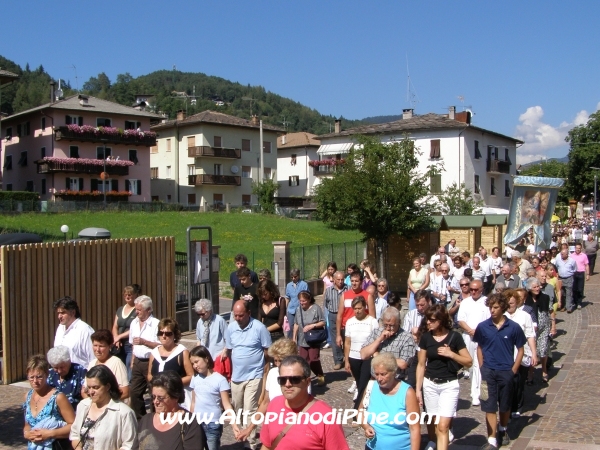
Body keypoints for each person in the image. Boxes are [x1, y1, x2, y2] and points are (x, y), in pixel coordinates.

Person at [259, 355, 350, 450]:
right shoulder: (274, 405)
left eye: (295, 379)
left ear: (308, 382)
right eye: (282, 380)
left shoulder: (326, 416)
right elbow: (267, 445)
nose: (287, 384)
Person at [473, 294, 526, 449]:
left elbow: (521, 349)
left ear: (503, 308)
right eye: (490, 307)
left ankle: (503, 428)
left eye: (495, 307)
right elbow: (479, 348)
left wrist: (514, 370)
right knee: (489, 405)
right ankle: (491, 438)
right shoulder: (483, 327)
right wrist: (483, 367)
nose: (492, 310)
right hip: (488, 372)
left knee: (504, 405)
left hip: (506, 372)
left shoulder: (514, 327)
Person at [416, 305, 472, 450]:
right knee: (435, 424)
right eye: (427, 319)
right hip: (430, 384)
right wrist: (418, 390)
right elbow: (421, 364)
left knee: (443, 426)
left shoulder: (455, 337)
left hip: (449, 385)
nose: (428, 322)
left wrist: (451, 354)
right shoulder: (426, 338)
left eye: (431, 320)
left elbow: (468, 361)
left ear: (440, 320)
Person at [235, 339, 308, 444]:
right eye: (275, 360)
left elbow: (304, 406)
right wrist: (250, 428)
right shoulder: (272, 374)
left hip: (293, 428)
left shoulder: (298, 378)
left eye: (281, 360)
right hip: (273, 426)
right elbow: (265, 403)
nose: (278, 364)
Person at [226, 300, 272, 449]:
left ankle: (250, 442)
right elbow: (230, 349)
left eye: (241, 315)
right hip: (237, 376)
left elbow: (267, 351)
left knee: (250, 408)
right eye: (235, 315)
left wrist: (266, 371)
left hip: (255, 374)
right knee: (237, 407)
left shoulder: (259, 328)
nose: (237, 318)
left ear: (249, 313)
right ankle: (243, 431)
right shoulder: (231, 328)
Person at [362, 352, 421, 450]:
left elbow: (415, 429)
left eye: (383, 374)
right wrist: (366, 426)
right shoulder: (371, 386)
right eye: (376, 374)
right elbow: (361, 411)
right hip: (371, 447)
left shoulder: (407, 392)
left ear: (393, 372)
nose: (379, 378)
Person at [70, 365, 138, 450]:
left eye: (95, 387)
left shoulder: (124, 412)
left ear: (107, 387)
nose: (91, 392)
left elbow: (129, 445)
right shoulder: (83, 405)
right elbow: (75, 435)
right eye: (89, 387)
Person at [138, 371, 206, 450]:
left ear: (176, 397)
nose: (155, 401)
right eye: (153, 397)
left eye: (160, 398)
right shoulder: (145, 420)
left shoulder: (190, 424)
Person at [189, 346, 239, 450]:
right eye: (192, 363)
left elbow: (226, 404)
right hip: (197, 422)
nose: (195, 366)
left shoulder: (219, 380)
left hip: (213, 423)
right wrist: (190, 420)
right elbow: (193, 402)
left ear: (206, 359)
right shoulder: (195, 378)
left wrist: (234, 425)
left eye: (197, 362)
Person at [23, 355, 75, 450]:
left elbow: (74, 426)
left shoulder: (58, 397)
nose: (35, 381)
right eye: (31, 377)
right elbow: (27, 425)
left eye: (39, 377)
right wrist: (27, 434)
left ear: (47, 374)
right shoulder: (28, 396)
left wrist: (50, 433)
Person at [360, 307, 415, 387]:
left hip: (396, 382)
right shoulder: (377, 332)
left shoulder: (407, 337)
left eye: (392, 326)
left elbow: (403, 363)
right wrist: (379, 339)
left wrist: (378, 356)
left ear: (399, 322)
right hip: (376, 380)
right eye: (386, 325)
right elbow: (363, 355)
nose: (388, 329)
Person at [504, 289, 537, 417]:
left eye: (511, 303)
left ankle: (517, 405)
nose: (509, 306)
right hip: (505, 354)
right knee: (508, 382)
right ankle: (507, 405)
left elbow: (530, 336)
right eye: (507, 304)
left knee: (518, 382)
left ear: (516, 303)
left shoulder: (524, 316)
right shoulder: (501, 316)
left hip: (521, 354)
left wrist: (534, 354)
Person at [457, 279, 490, 406]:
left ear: (481, 289)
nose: (473, 292)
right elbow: (461, 320)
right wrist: (470, 330)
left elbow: (489, 319)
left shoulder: (486, 302)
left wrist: (479, 331)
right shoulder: (465, 302)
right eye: (471, 290)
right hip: (468, 336)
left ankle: (476, 393)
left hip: (482, 337)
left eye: (476, 290)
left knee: (478, 364)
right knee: (470, 365)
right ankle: (473, 387)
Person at [344, 296, 379, 409]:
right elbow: (347, 342)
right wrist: (346, 360)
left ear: (365, 307)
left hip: (367, 357)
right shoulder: (350, 322)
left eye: (359, 308)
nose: (357, 311)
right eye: (355, 308)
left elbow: (376, 341)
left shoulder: (372, 322)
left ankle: (356, 411)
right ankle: (366, 405)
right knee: (359, 383)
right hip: (353, 357)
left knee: (364, 383)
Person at [129, 295, 160, 419]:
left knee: (154, 392)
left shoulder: (156, 324)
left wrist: (145, 342)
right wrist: (132, 361)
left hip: (151, 362)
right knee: (135, 392)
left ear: (149, 310)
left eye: (139, 310)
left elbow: (161, 345)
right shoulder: (134, 322)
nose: (137, 312)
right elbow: (132, 344)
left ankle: (155, 418)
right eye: (136, 309)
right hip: (137, 361)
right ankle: (140, 419)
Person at [525, 278, 555, 383]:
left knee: (543, 350)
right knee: (532, 352)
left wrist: (553, 326)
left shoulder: (545, 297)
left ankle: (544, 370)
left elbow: (551, 311)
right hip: (531, 330)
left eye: (538, 286)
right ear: (529, 289)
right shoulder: (526, 299)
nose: (537, 289)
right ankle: (530, 373)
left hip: (544, 328)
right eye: (534, 287)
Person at [294, 290, 327, 386]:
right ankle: (304, 379)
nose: (301, 303)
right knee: (303, 360)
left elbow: (323, 322)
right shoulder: (298, 309)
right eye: (300, 300)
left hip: (314, 338)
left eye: (303, 301)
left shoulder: (316, 309)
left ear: (309, 300)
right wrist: (294, 338)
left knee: (313, 359)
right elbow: (296, 324)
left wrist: (313, 326)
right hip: (302, 338)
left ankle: (320, 375)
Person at [148, 318, 194, 387]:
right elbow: (149, 374)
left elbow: (191, 376)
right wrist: (157, 383)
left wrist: (170, 384)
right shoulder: (154, 353)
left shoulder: (182, 352)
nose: (163, 336)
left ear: (175, 335)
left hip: (176, 393)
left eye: (168, 334)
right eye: (161, 333)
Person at [86, 329, 130, 399]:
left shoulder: (116, 363)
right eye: (95, 345)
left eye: (101, 346)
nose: (97, 349)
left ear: (109, 346)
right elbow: (84, 390)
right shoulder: (91, 364)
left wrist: (105, 402)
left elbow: (125, 392)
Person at [53, 296, 94, 367]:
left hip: (80, 375)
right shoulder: (60, 328)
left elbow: (93, 359)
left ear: (73, 312)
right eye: (58, 313)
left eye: (63, 313)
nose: (59, 316)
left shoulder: (85, 330)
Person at [194, 298, 230, 379]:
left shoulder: (219, 320)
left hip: (218, 356)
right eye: (198, 314)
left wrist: (225, 351)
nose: (201, 316)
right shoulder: (200, 322)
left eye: (203, 314)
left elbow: (227, 338)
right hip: (205, 357)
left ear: (209, 310)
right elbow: (199, 339)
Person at [112, 284, 141, 376]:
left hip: (130, 345)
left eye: (130, 294)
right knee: (119, 369)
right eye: (125, 294)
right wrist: (116, 338)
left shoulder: (137, 310)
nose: (127, 296)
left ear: (135, 295)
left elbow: (135, 328)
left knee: (129, 368)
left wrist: (119, 336)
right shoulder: (120, 309)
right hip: (119, 345)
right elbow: (115, 326)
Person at [47, 346, 87, 410]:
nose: (59, 371)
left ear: (69, 361)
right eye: (56, 367)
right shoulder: (50, 374)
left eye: (62, 367)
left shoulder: (80, 372)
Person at [323, 270, 347, 370]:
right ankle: (338, 360)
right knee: (334, 338)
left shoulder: (348, 289)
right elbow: (326, 304)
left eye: (342, 279)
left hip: (345, 316)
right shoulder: (329, 290)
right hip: (333, 315)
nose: (340, 281)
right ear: (334, 280)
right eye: (338, 279)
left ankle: (347, 358)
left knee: (346, 337)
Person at [284, 268, 308, 339]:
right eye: (292, 277)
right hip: (291, 310)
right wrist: (285, 309)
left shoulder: (304, 284)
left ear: (298, 275)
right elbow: (287, 298)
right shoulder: (288, 285)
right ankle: (290, 344)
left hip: (301, 309)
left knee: (300, 327)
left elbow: (307, 297)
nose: (293, 278)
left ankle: (299, 346)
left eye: (295, 277)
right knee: (290, 328)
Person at [554, 248, 577, 313]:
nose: (561, 255)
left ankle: (569, 307)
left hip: (569, 278)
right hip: (561, 278)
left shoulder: (572, 261)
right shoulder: (558, 261)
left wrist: (569, 273)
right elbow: (556, 267)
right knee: (562, 293)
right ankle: (563, 306)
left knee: (568, 293)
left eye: (563, 254)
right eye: (561, 254)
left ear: (567, 254)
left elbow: (575, 269)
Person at [571, 243, 590, 310]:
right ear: (575, 248)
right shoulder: (571, 256)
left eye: (579, 248)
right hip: (574, 273)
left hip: (581, 273)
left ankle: (579, 303)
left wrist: (588, 274)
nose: (578, 249)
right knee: (574, 289)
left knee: (580, 289)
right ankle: (575, 302)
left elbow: (587, 265)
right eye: (577, 248)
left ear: (581, 248)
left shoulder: (584, 256)